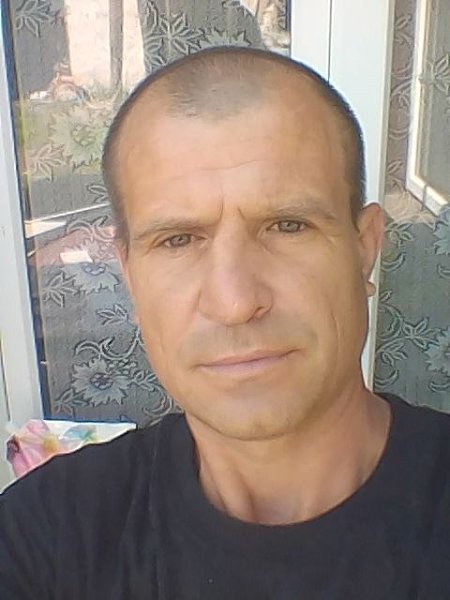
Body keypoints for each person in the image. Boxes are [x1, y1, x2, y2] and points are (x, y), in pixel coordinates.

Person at [1, 47, 450, 599]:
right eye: (178, 240)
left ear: (365, 249)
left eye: (287, 225)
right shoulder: (46, 537)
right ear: (130, 275)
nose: (235, 302)